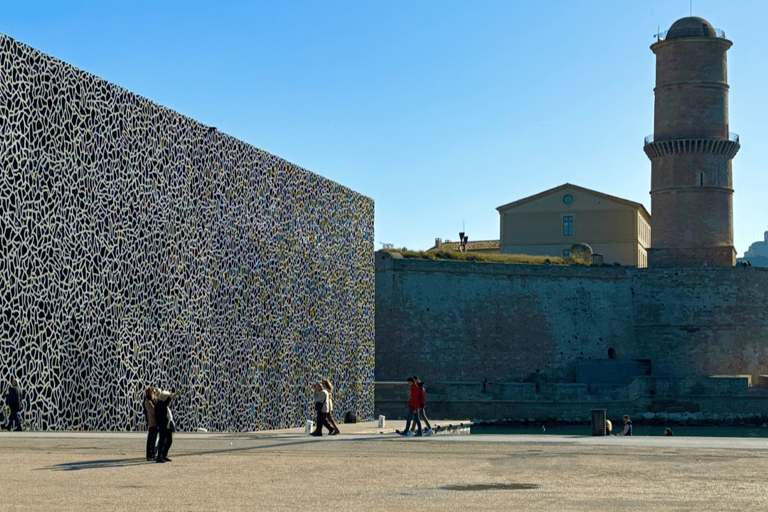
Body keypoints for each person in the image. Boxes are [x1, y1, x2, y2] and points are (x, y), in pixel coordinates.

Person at [154, 388, 181, 462]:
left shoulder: (164, 405)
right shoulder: (160, 404)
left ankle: (164, 455)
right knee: (162, 441)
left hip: (167, 425)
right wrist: (175, 394)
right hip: (163, 425)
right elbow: (168, 399)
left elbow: (168, 400)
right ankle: (159, 456)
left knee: (169, 440)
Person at [143, 386, 158, 461]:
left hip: (154, 422)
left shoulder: (151, 400)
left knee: (153, 438)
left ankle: (152, 453)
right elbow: (153, 410)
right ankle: (150, 454)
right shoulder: (148, 401)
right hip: (152, 422)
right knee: (151, 439)